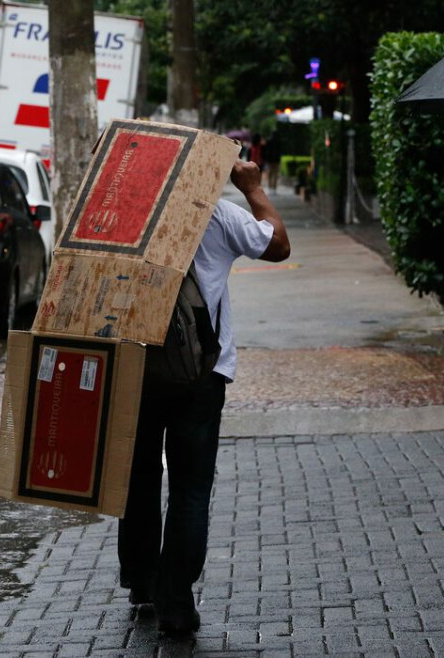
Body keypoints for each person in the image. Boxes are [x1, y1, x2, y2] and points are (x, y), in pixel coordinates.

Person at [118, 159, 291, 635]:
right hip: (201, 373)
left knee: (138, 478)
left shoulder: (127, 211)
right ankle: (175, 604)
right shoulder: (216, 214)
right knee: (191, 490)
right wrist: (252, 188)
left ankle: (142, 581)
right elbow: (278, 245)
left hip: (134, 368)